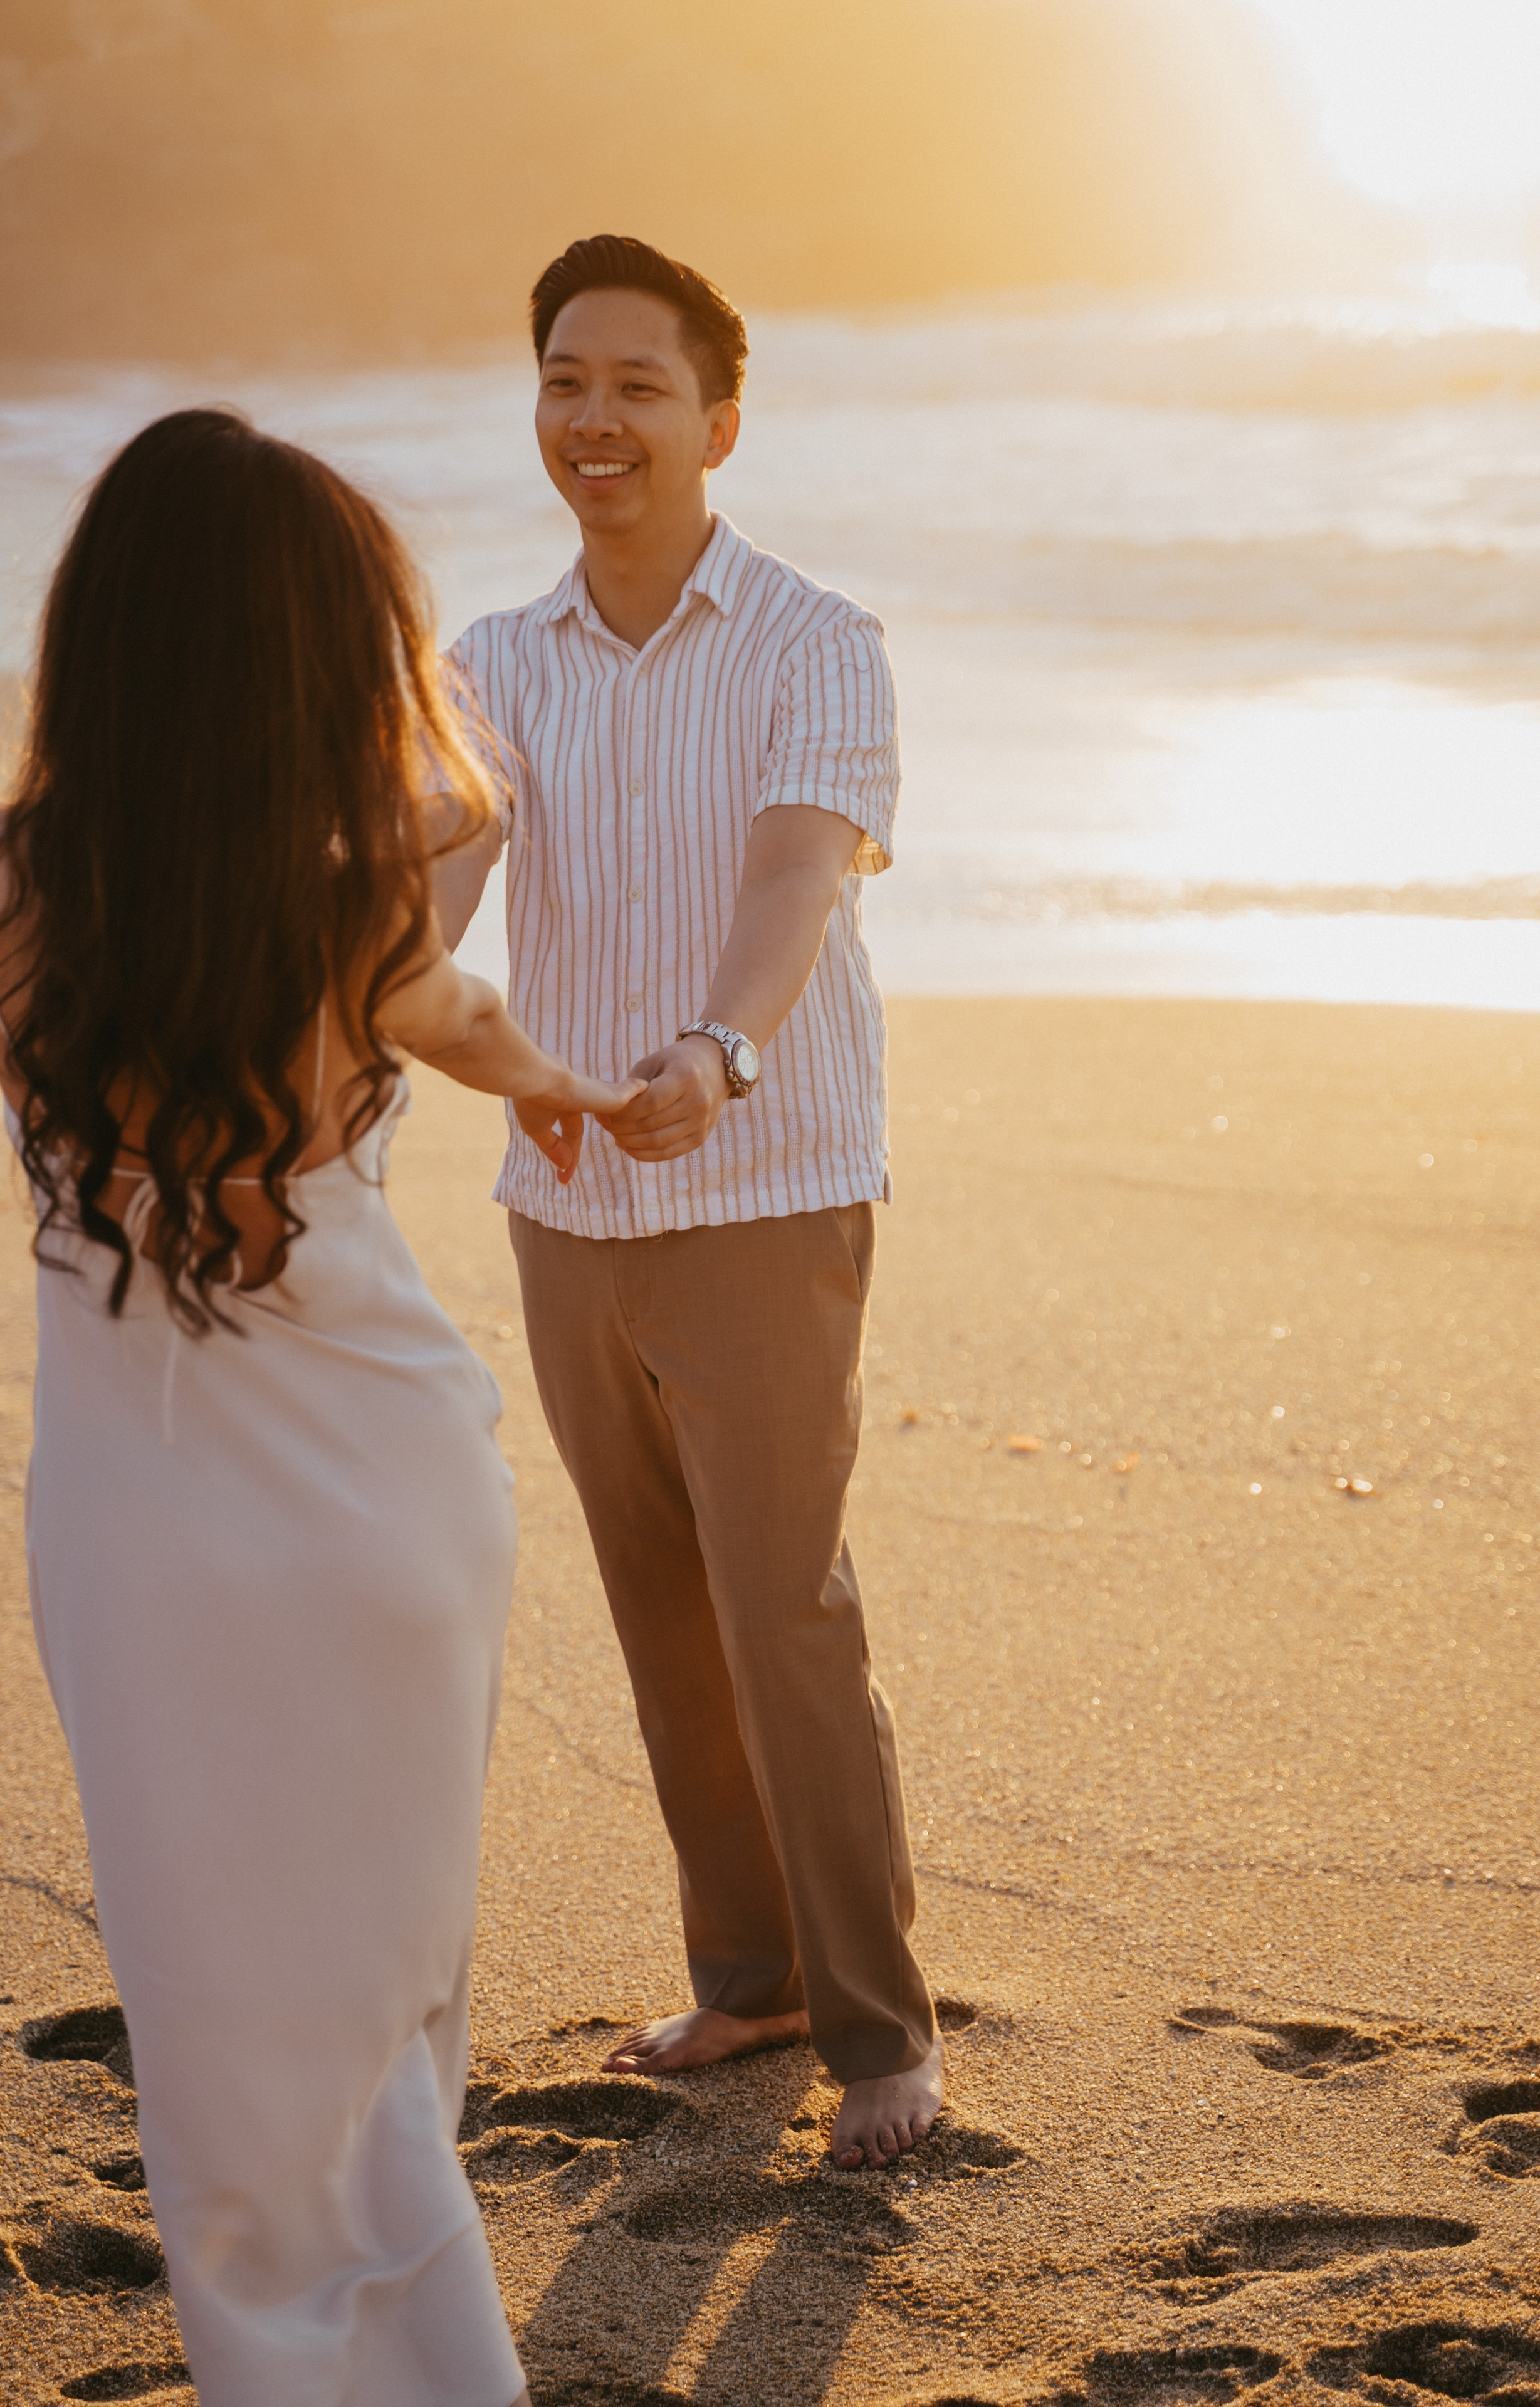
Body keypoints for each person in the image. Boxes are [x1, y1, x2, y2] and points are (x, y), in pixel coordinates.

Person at [0, 407, 637, 2407]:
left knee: (228, 2043)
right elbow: (452, 1013)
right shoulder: (380, 878)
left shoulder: (27, 902)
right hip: (392, 1503)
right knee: (379, 2023)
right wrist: (554, 1081)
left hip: (147, 1537)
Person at [432, 233, 943, 2173]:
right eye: (567, 380)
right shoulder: (486, 664)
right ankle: (749, 1977)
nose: (597, 420)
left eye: (640, 387)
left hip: (769, 1182)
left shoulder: (816, 640)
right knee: (657, 1600)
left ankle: (881, 2024)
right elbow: (432, 909)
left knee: (782, 1605)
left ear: (720, 421)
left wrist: (712, 1061)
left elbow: (794, 886)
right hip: (565, 1205)